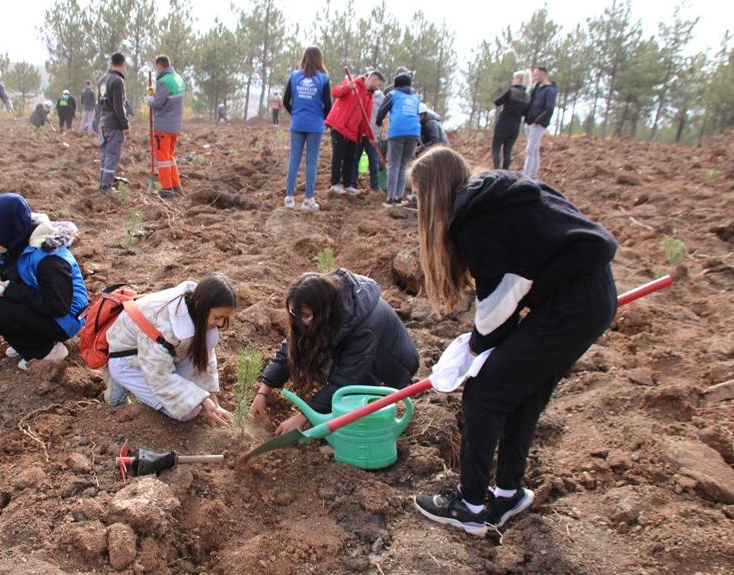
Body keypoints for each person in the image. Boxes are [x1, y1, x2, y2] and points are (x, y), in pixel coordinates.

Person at [408, 147, 617, 536]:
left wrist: (475, 349)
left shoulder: (476, 221)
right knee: (523, 389)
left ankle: (469, 505)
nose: (417, 204)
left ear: (434, 191)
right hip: (588, 293)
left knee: (484, 394)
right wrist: (482, 343)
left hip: (572, 304)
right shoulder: (492, 194)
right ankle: (507, 494)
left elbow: (504, 294)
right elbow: (512, 286)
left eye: (418, 194)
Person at [249, 270, 419, 433]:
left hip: (390, 367)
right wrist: (263, 392)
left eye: (306, 315)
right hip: (360, 356)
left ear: (323, 311)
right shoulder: (329, 305)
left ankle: (370, 398)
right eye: (296, 314)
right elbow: (291, 344)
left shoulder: (362, 326)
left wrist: (304, 417)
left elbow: (346, 381)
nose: (301, 321)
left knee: (346, 413)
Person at [0, 193, 87, 370]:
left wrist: (10, 289)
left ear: (5, 231)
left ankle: (46, 350)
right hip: (41, 305)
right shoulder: (15, 242)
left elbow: (58, 306)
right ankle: (26, 342)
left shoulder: (49, 259)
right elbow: (16, 272)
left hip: (65, 319)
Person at [105, 274, 236, 425]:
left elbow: (205, 356)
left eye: (224, 318)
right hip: (129, 358)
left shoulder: (196, 309)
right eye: (217, 317)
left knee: (210, 337)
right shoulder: (163, 322)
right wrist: (201, 400)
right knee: (188, 411)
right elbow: (158, 376)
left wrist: (213, 399)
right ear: (201, 305)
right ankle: (117, 385)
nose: (220, 323)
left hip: (161, 355)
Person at [283, 47, 332, 211]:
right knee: (311, 162)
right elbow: (328, 105)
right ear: (320, 59)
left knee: (294, 160)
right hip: (315, 125)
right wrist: (321, 118)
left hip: (297, 123)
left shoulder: (294, 76)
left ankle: (289, 198)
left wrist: (295, 113)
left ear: (304, 58)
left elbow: (285, 100)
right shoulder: (323, 79)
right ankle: (308, 200)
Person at [325, 70, 385, 197]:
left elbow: (366, 120)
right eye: (379, 85)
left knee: (350, 158)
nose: (379, 88)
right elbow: (335, 92)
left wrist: (370, 136)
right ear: (373, 80)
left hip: (354, 131)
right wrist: (347, 87)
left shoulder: (369, 97)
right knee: (338, 156)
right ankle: (335, 183)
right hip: (340, 126)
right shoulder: (352, 83)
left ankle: (348, 185)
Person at [376, 70, 420, 207]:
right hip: (414, 133)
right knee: (403, 165)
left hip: (398, 131)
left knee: (394, 164)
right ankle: (399, 198)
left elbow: (381, 111)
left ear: (396, 85)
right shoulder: (415, 98)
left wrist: (378, 123)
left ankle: (390, 199)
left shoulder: (393, 94)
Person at [145, 55, 186, 199]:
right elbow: (165, 98)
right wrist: (152, 90)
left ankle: (167, 189)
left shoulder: (163, 82)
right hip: (175, 126)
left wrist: (148, 98)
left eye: (156, 68)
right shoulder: (178, 79)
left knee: (162, 158)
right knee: (169, 157)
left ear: (160, 66)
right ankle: (176, 186)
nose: (156, 71)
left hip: (163, 126)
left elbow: (157, 103)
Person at [98, 53, 130, 194]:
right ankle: (106, 187)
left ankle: (103, 183)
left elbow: (99, 102)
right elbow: (119, 106)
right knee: (112, 156)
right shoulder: (117, 81)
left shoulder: (103, 80)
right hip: (114, 124)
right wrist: (125, 125)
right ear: (122, 64)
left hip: (104, 123)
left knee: (105, 155)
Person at [523, 66, 558, 180]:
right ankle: (532, 175)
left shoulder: (550, 90)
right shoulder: (537, 88)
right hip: (530, 121)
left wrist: (538, 120)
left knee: (530, 149)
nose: (534, 77)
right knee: (534, 149)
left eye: (536, 75)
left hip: (538, 124)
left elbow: (549, 108)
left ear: (543, 74)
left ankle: (526, 175)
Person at [492, 71, 530, 170]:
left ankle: (497, 171)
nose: (512, 80)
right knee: (507, 152)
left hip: (503, 123)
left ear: (518, 79)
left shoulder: (511, 91)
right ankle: (505, 172)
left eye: (514, 78)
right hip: (515, 126)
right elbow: (526, 114)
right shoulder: (527, 96)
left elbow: (497, 102)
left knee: (496, 149)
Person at [353, 77, 386, 193]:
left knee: (374, 159)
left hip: (372, 133)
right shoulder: (360, 93)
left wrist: (382, 132)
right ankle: (352, 183)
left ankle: (375, 185)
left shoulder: (381, 97)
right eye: (378, 84)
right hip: (359, 130)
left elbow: (384, 115)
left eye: (380, 86)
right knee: (355, 158)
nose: (379, 87)